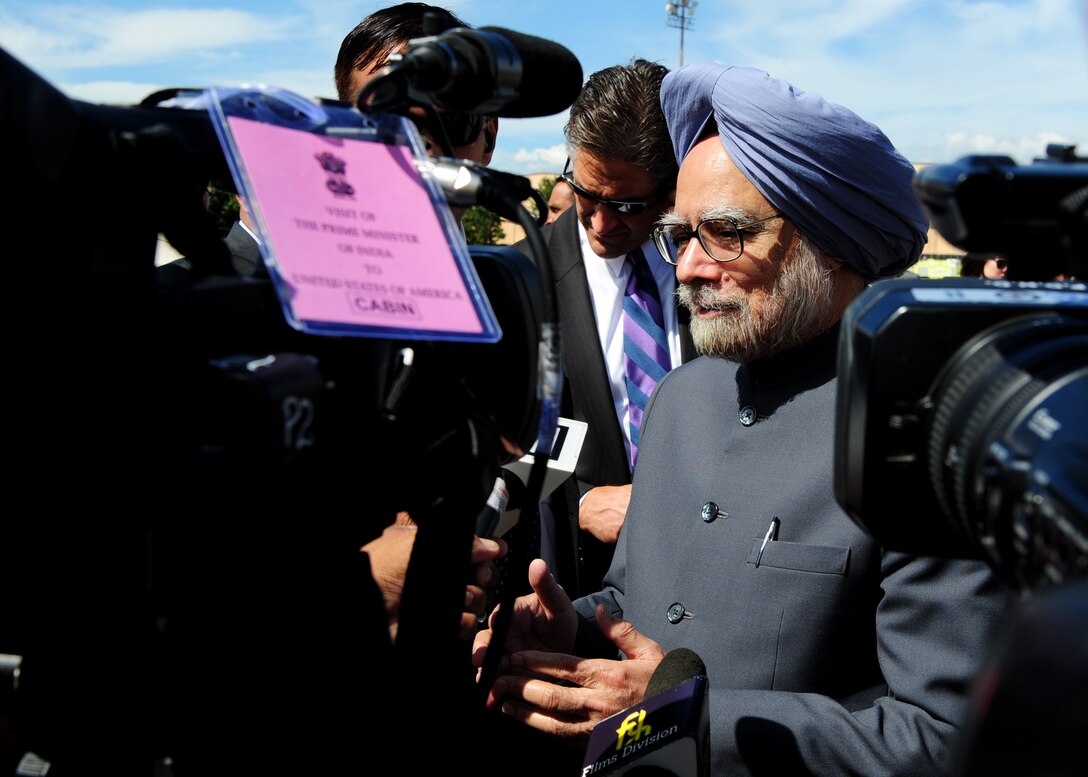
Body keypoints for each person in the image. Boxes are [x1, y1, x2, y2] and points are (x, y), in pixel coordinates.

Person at [474, 62, 1016, 776]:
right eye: (682, 235)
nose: (688, 268)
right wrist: (574, 630)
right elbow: (640, 601)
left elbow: (946, 739)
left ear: (831, 242)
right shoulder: (681, 398)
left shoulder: (929, 435)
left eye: (726, 233)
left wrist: (687, 717)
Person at [517, 59, 697, 599]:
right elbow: (495, 447)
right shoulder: (521, 278)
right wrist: (578, 501)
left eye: (626, 206)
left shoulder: (717, 264)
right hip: (579, 588)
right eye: (585, 193)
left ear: (672, 189)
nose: (599, 223)